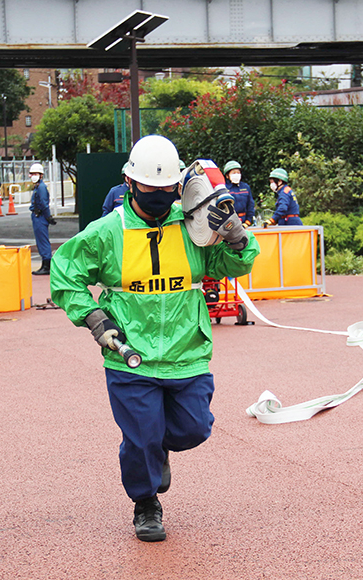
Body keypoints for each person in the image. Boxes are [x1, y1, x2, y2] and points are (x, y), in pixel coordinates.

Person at [49, 135, 259, 543]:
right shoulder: (107, 232)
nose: (161, 196)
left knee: (194, 429)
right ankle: (145, 504)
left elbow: (234, 264)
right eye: (151, 188)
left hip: (188, 353)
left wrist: (236, 235)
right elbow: (64, 272)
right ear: (129, 184)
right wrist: (94, 318)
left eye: (168, 189)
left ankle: (156, 451)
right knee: (141, 435)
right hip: (130, 355)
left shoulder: (194, 227)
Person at [29, 162, 55, 276]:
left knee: (43, 241)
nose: (32, 176)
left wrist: (48, 216)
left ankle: (47, 265)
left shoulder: (42, 187)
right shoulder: (38, 186)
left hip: (40, 217)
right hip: (37, 216)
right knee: (40, 241)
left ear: (40, 175)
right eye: (31, 174)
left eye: (35, 173)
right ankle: (44, 264)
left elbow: (44, 204)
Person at [223, 161, 256, 227]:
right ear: (227, 175)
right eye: (233, 173)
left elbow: (250, 205)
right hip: (229, 223)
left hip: (244, 222)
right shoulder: (224, 188)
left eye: (238, 172)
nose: (236, 175)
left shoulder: (245, 187)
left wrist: (248, 222)